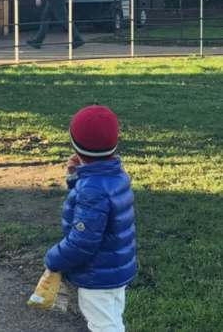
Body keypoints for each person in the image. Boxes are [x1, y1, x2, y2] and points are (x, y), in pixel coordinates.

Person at [43, 106, 136, 332]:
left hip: (97, 274)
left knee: (104, 327)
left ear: (75, 146)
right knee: (112, 321)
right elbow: (92, 206)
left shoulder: (92, 189)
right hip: (114, 266)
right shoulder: (114, 174)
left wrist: (53, 260)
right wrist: (75, 179)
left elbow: (82, 241)